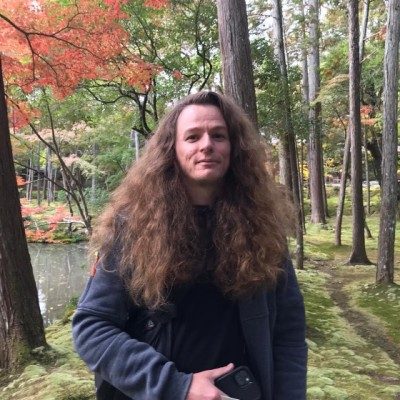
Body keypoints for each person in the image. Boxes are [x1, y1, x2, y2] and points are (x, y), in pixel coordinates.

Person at [72, 91, 307, 400]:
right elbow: (91, 327)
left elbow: (288, 334)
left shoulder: (262, 227)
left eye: (218, 135)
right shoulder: (133, 226)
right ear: (173, 149)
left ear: (234, 147)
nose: (207, 145)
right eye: (193, 136)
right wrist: (177, 387)